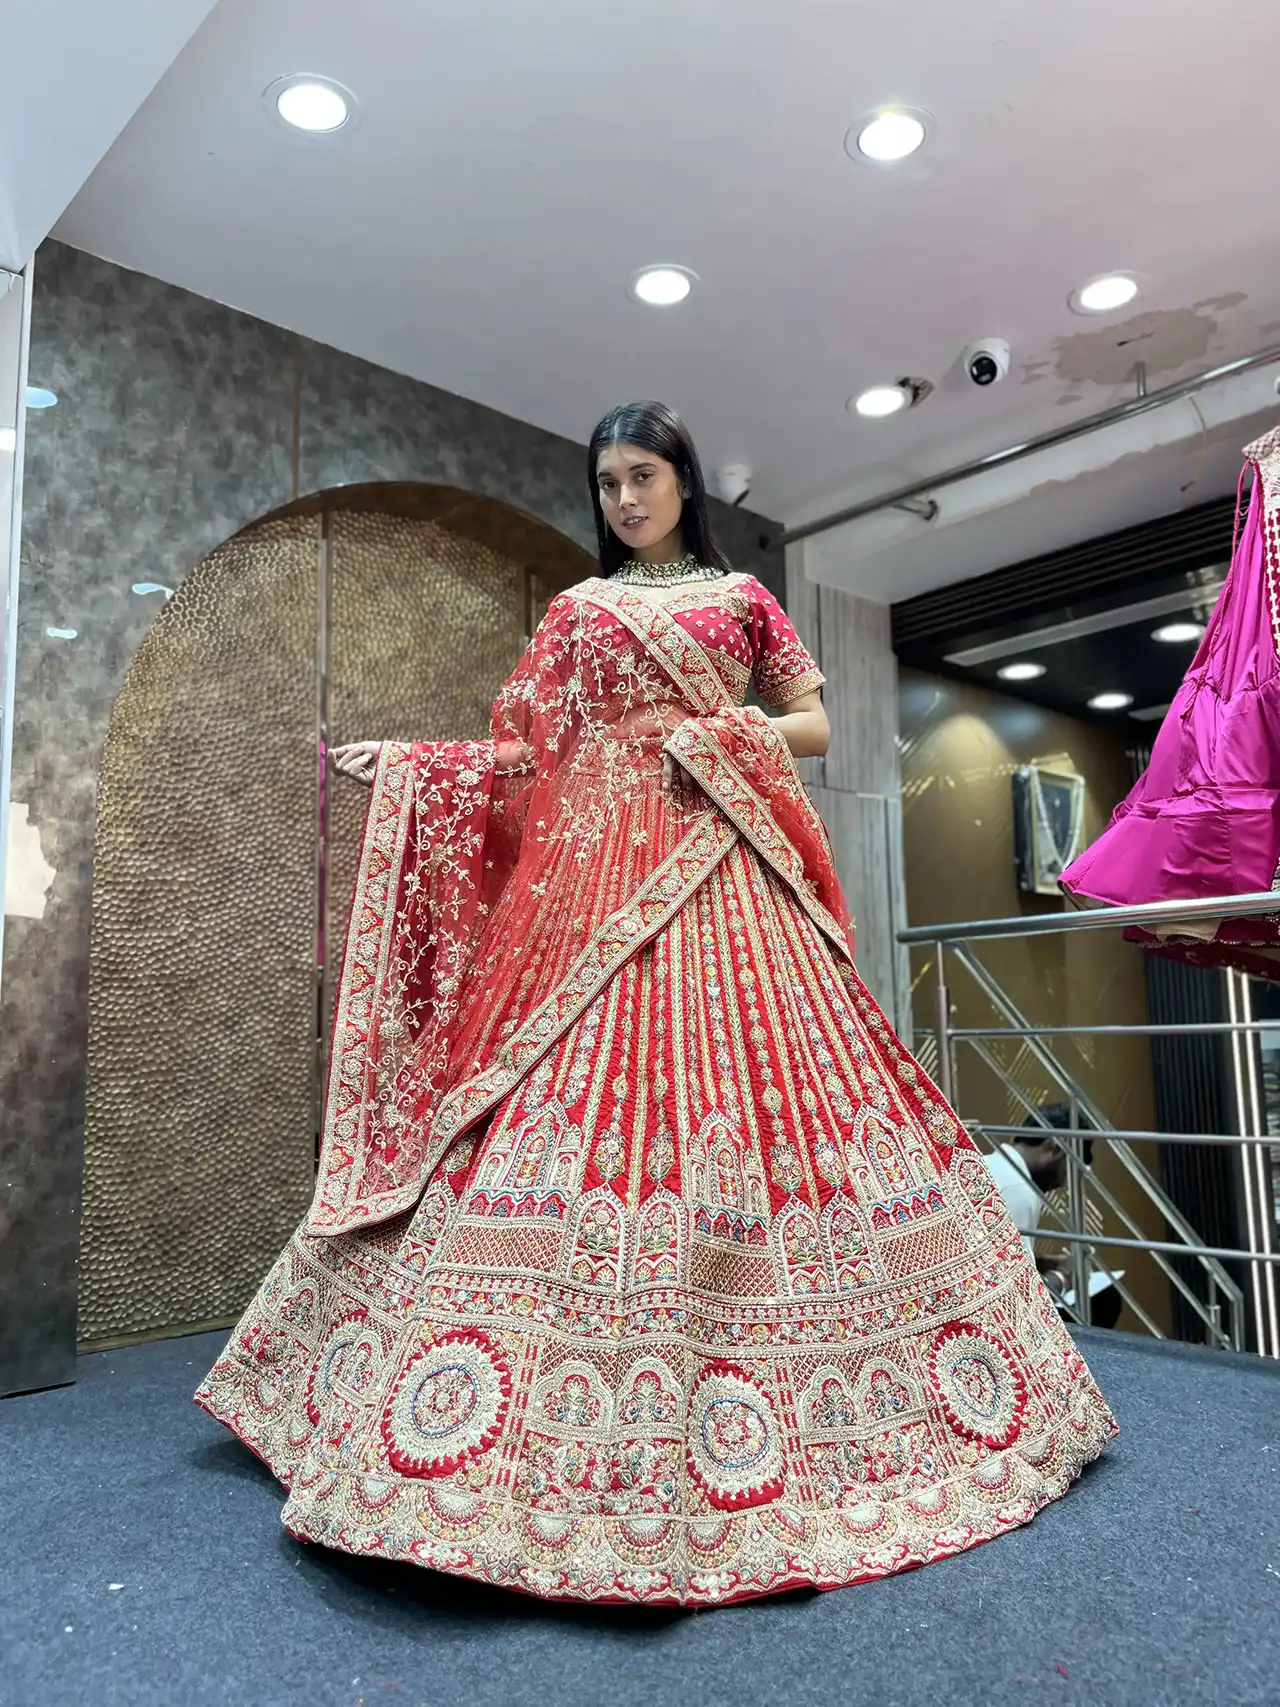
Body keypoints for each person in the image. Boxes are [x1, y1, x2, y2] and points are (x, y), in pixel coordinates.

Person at [196, 401, 1115, 1607]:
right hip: (594, 877)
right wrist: (425, 768)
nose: (624, 498)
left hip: (725, 862)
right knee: (548, 1089)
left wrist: (715, 734)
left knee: (779, 1095)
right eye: (607, 482)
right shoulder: (578, 614)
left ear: (684, 481)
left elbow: (814, 724)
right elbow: (531, 753)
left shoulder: (742, 605)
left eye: (643, 475)